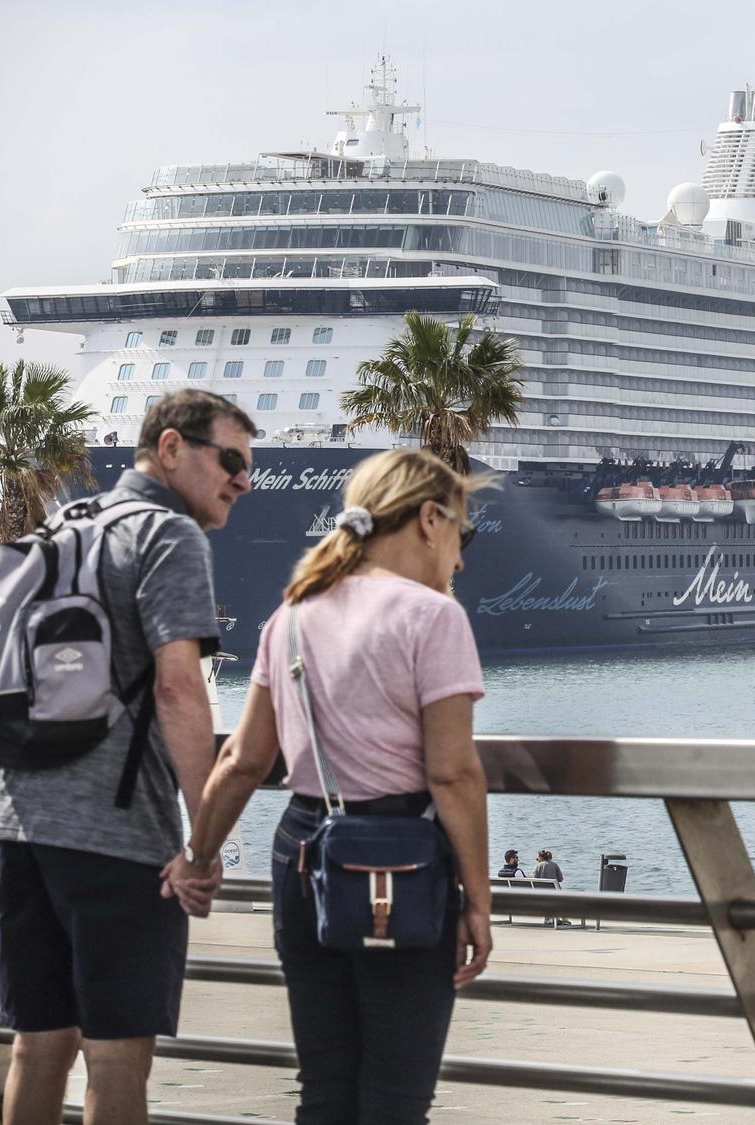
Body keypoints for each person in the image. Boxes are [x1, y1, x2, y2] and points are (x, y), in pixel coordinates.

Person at [167, 447, 494, 1123]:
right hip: (400, 864)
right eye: (459, 536)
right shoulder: (434, 617)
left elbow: (243, 761)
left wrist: (197, 857)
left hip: (302, 858)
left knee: (324, 1092)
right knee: (395, 1102)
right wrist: (480, 903)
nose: (459, 560)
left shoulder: (291, 615)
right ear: (430, 519)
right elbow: (452, 772)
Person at [0, 390, 253, 1125]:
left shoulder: (61, 524)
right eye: (230, 458)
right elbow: (178, 689)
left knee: (36, 1049)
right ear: (171, 448)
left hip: (20, 825)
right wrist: (203, 840)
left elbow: (4, 686)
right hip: (117, 836)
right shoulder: (170, 536)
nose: (243, 479)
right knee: (115, 1056)